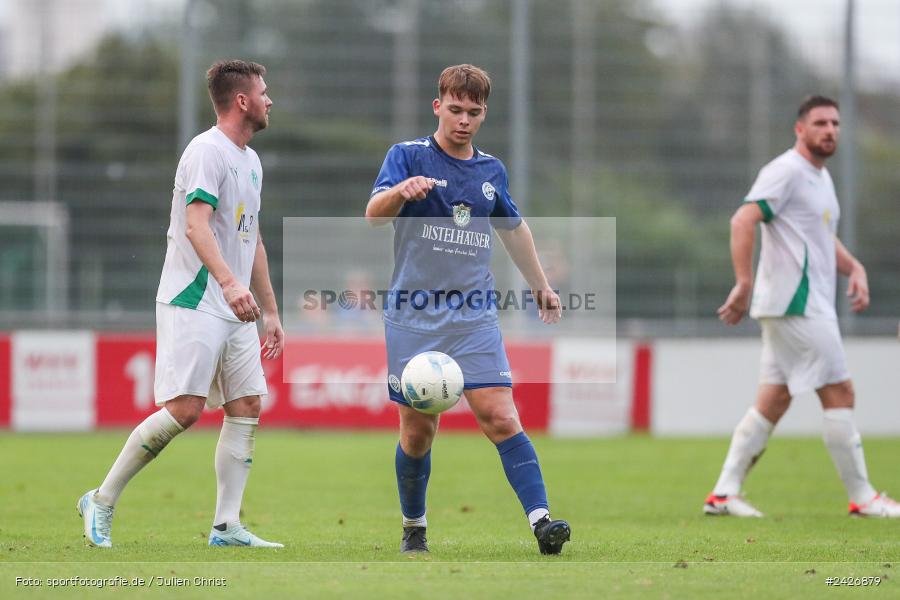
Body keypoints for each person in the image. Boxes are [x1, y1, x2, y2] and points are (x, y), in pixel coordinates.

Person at [78, 60, 286, 547]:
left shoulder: (251, 161)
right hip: (194, 298)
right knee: (185, 409)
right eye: (264, 92)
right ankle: (101, 500)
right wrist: (231, 285)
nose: (269, 100)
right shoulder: (205, 152)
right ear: (242, 101)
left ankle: (226, 526)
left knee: (247, 404)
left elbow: (251, 238)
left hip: (235, 305)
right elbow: (196, 226)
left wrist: (270, 309)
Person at [366, 64, 571, 554]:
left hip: (473, 314)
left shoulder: (490, 170)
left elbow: (514, 229)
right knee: (418, 432)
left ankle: (542, 522)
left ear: (483, 114)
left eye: (473, 112)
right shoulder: (407, 155)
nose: (463, 120)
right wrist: (401, 191)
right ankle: (414, 526)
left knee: (500, 415)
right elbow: (374, 214)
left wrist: (540, 284)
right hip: (413, 316)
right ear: (437, 106)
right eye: (454, 109)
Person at [705, 95, 899, 518]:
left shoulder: (820, 178)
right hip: (799, 304)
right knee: (841, 391)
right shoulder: (787, 171)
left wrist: (855, 267)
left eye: (835, 123)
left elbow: (818, 237)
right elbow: (743, 219)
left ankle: (723, 493)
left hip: (793, 306)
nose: (829, 130)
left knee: (774, 400)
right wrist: (743, 280)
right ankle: (863, 497)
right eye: (820, 123)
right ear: (800, 129)